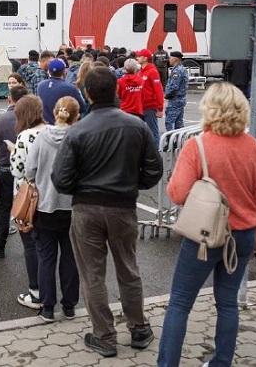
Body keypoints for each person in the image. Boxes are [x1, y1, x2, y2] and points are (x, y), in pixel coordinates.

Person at [52, 67, 163, 358]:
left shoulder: (77, 131)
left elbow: (60, 179)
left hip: (86, 209)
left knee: (93, 275)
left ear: (86, 94)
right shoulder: (136, 125)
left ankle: (104, 336)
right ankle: (139, 328)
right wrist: (129, 183)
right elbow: (154, 170)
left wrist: (84, 188)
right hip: (122, 207)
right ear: (116, 90)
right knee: (128, 269)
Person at [158, 82, 256, 367]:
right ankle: (221, 362)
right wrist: (255, 241)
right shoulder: (255, 149)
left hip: (204, 236)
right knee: (228, 303)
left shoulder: (197, 146)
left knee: (180, 303)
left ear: (209, 109)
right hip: (242, 235)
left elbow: (177, 193)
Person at [25, 97, 81, 323]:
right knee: (70, 257)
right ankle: (69, 306)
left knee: (46, 257)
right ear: (76, 116)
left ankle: (47, 307)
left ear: (55, 112)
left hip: (45, 205)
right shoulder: (79, 138)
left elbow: (29, 169)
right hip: (72, 206)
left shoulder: (41, 137)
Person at [10, 95, 47, 310]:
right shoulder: (51, 130)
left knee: (30, 246)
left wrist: (12, 152)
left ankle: (36, 292)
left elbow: (18, 170)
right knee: (48, 247)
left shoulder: (24, 136)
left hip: (28, 198)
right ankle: (50, 290)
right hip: (50, 195)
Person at [0, 84, 29, 258]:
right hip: (26, 169)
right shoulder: (31, 119)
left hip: (3, 167)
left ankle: (0, 246)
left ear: (9, 99)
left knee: (2, 208)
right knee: (27, 205)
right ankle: (30, 247)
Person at [36, 58, 86, 125]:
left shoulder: (40, 86)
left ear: (49, 71)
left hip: (45, 126)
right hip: (63, 126)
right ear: (64, 71)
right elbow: (82, 108)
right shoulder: (70, 88)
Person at [136, 49, 164, 149]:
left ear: (145, 58)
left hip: (150, 106)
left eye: (139, 56)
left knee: (153, 131)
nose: (137, 58)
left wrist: (160, 108)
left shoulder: (152, 71)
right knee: (142, 131)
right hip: (141, 106)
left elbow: (158, 90)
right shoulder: (140, 71)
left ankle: (156, 151)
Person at [164, 51, 188, 131]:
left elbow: (174, 86)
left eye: (170, 58)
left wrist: (167, 95)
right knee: (179, 122)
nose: (169, 60)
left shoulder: (177, 71)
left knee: (169, 122)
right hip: (181, 98)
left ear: (175, 59)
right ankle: (180, 138)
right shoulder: (182, 68)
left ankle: (170, 137)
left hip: (175, 99)